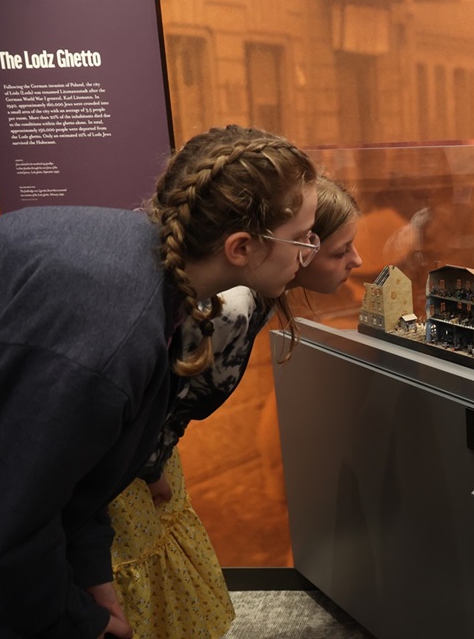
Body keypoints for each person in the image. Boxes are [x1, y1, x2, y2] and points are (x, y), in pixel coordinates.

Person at [0, 124, 318, 638]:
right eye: (300, 239)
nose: (306, 254)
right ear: (241, 247)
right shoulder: (114, 334)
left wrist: (92, 577)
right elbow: (10, 523)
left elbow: (79, 471)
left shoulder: (148, 273)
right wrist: (75, 624)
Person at [107, 176, 363, 639]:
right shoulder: (234, 306)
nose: (355, 261)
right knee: (136, 570)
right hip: (126, 462)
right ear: (300, 246)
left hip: (147, 453)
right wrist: (150, 469)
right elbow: (161, 400)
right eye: (339, 250)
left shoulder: (259, 294)